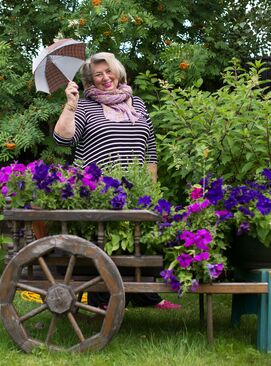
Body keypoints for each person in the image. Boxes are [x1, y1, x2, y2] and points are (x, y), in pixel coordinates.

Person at [53, 52, 179, 310]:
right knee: (103, 243)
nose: (105, 78)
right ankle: (100, 300)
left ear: (118, 72)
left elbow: (150, 149)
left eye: (109, 71)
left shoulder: (138, 104)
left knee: (140, 240)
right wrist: (70, 105)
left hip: (135, 188)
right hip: (96, 190)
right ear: (91, 79)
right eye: (98, 74)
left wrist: (151, 188)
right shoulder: (85, 105)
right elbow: (63, 140)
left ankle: (147, 296)